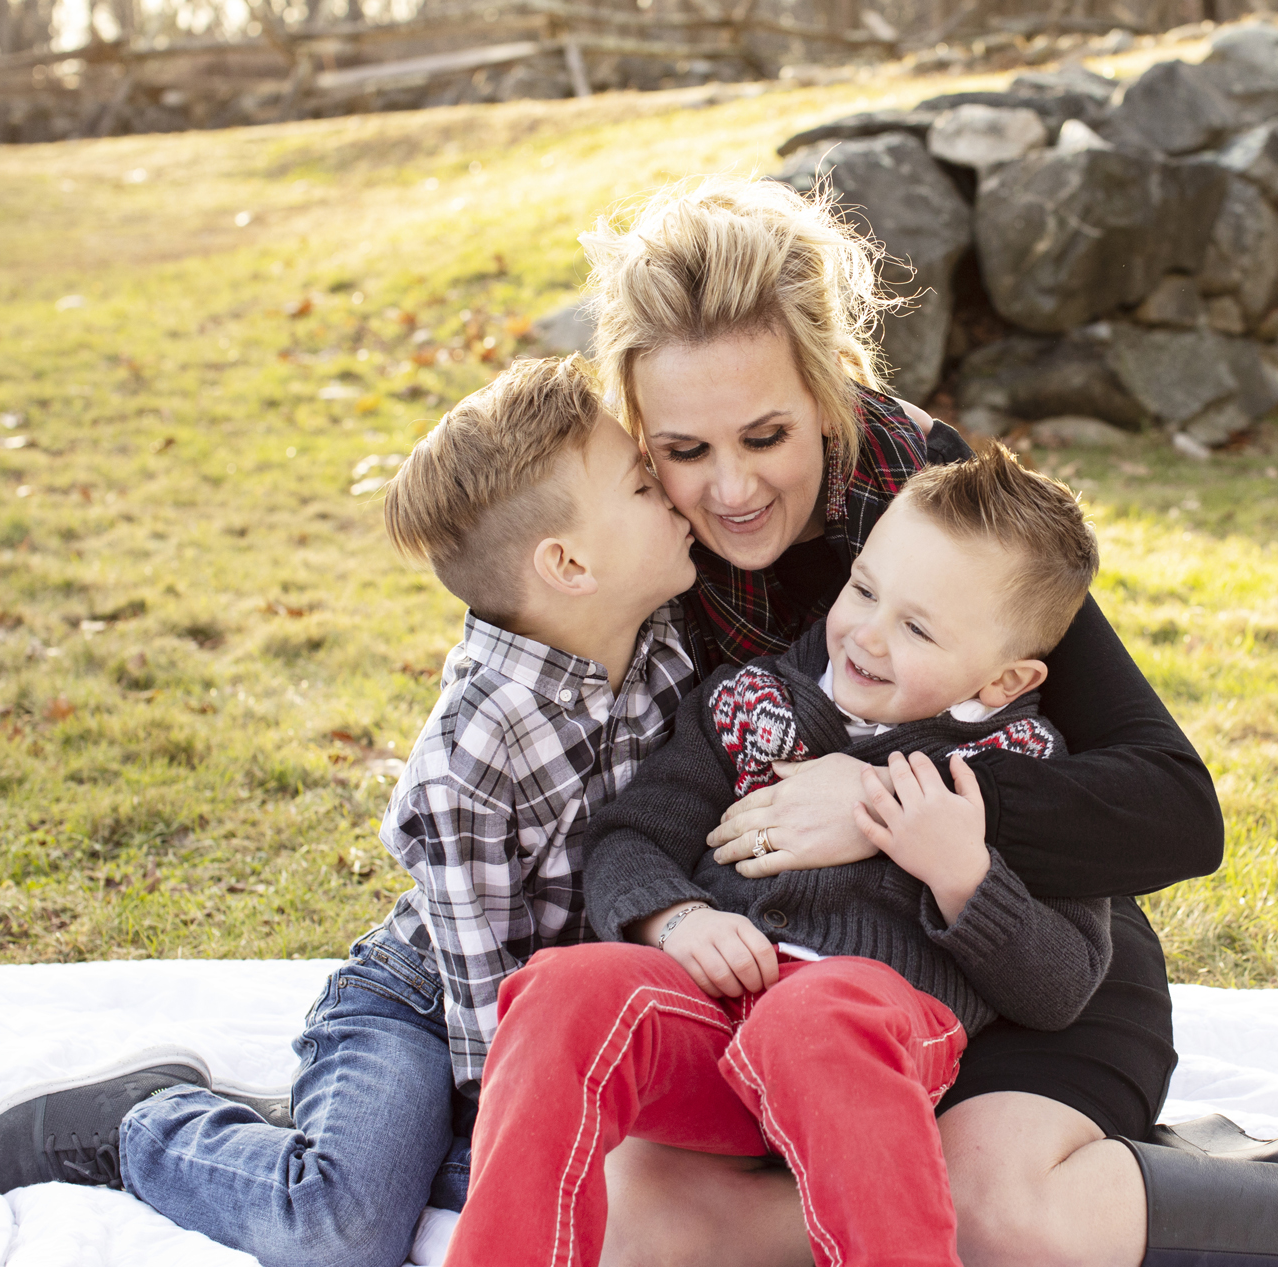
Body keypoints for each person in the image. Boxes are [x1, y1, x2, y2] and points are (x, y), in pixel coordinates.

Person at [577, 176, 1278, 1267]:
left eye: (767, 435)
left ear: (827, 391)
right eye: (683, 451)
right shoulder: (615, 537)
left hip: (1023, 961)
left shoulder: (939, 508)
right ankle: (1139, 1181)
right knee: (650, 1223)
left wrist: (884, 803)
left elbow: (1174, 809)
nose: (729, 489)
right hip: (785, 981)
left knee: (1005, 1214)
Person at [0, 355, 704, 1267]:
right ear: (569, 564)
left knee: (627, 1178)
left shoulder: (666, 654)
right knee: (346, 1231)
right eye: (640, 482)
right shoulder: (470, 751)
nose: (671, 489)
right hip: (425, 1006)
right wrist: (501, 1127)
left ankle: (345, 1130)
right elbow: (477, 998)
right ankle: (143, 1127)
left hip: (566, 1014)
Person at [441, 444, 1114, 1267]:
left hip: (866, 1042)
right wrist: (674, 916)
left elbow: (1064, 981)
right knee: (559, 988)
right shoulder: (751, 704)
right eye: (864, 589)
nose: (866, 633)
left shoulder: (1020, 769)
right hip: (706, 1019)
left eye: (917, 627)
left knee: (815, 1014)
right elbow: (631, 835)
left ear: (1007, 677)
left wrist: (961, 876)